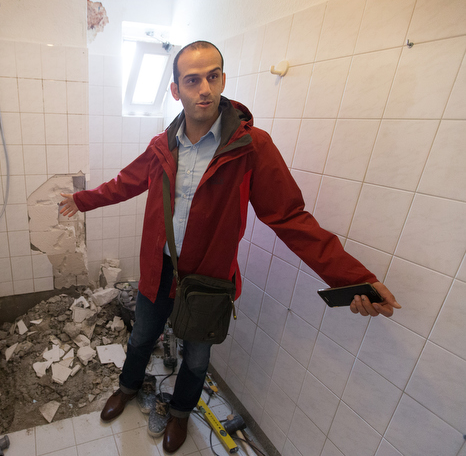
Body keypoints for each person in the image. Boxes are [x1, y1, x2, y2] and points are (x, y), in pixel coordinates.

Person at [59, 40, 400, 453]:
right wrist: (80, 201)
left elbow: (290, 218)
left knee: (197, 357)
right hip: (160, 266)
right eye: (192, 80)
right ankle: (128, 388)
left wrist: (356, 279)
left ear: (222, 79)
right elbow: (124, 184)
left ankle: (180, 415)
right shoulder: (161, 146)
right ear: (175, 90)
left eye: (213, 76)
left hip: (209, 280)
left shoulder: (252, 146)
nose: (204, 88)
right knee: (142, 337)